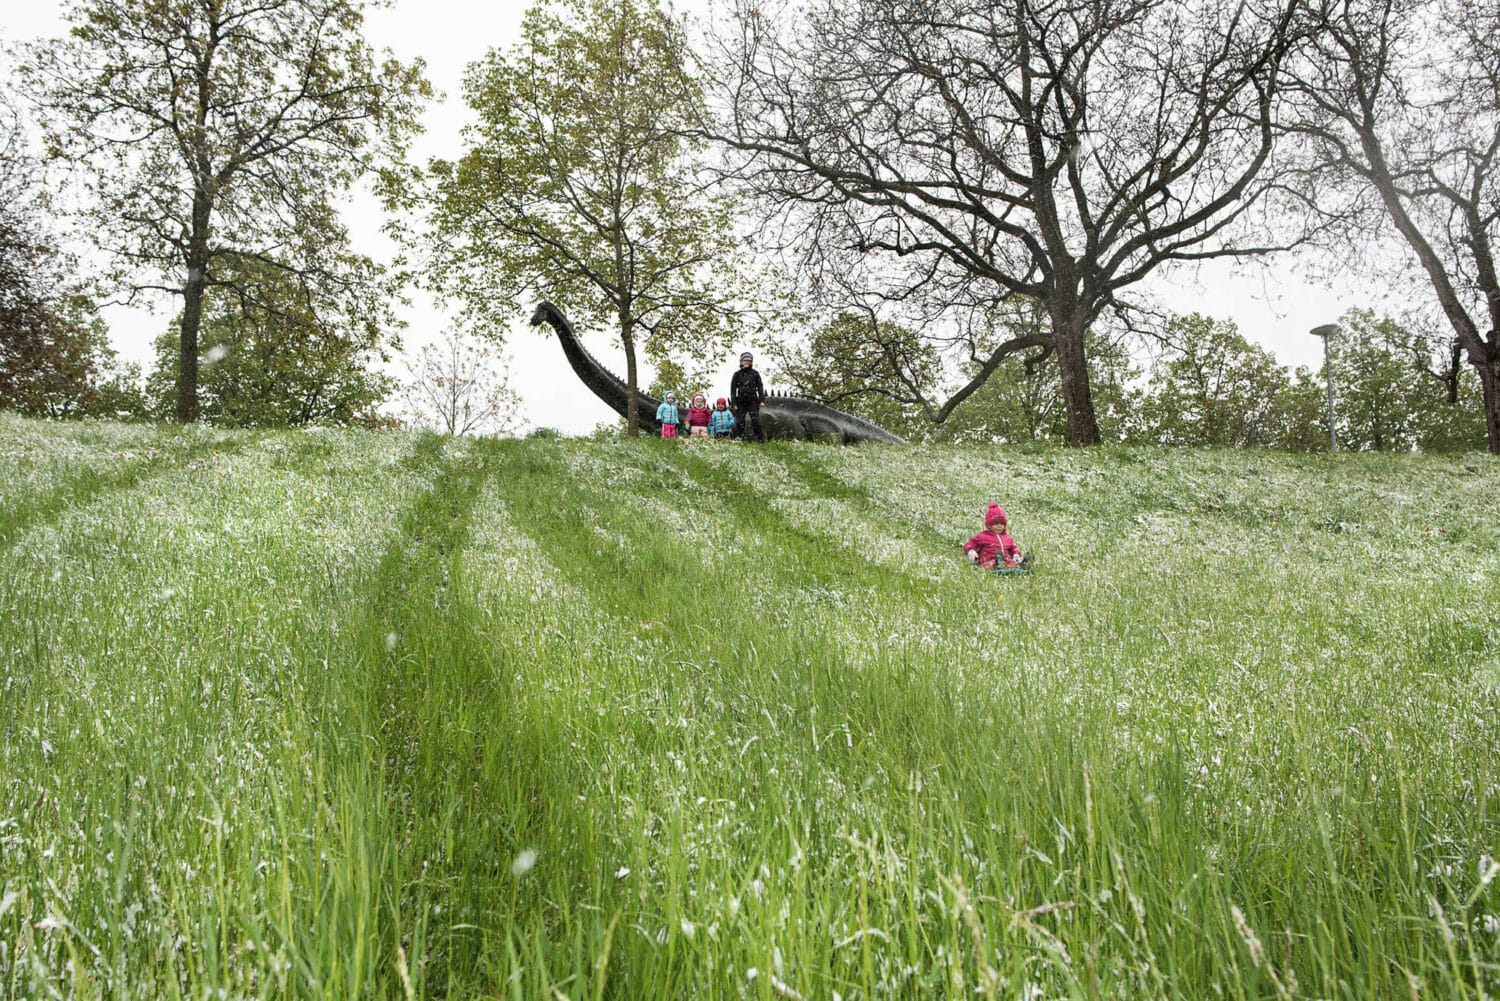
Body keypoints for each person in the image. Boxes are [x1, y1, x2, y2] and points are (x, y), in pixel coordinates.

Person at [963, 503, 1023, 570]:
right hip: (988, 560)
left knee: (1012, 563)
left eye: (1002, 524)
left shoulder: (1007, 538)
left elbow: (1013, 548)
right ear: (989, 525)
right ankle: (999, 565)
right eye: (996, 524)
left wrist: (1016, 554)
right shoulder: (982, 536)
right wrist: (971, 551)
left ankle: (1021, 564)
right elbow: (969, 544)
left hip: (1005, 560)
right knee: (992, 564)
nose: (999, 526)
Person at [729, 351, 768, 442]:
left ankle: (760, 439)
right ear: (741, 361)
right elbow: (733, 389)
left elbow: (760, 387)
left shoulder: (755, 374)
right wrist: (733, 402)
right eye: (745, 360)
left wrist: (762, 400)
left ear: (751, 362)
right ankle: (739, 439)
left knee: (755, 420)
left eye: (749, 360)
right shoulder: (737, 374)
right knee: (740, 421)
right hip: (740, 402)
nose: (747, 362)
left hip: (753, 401)